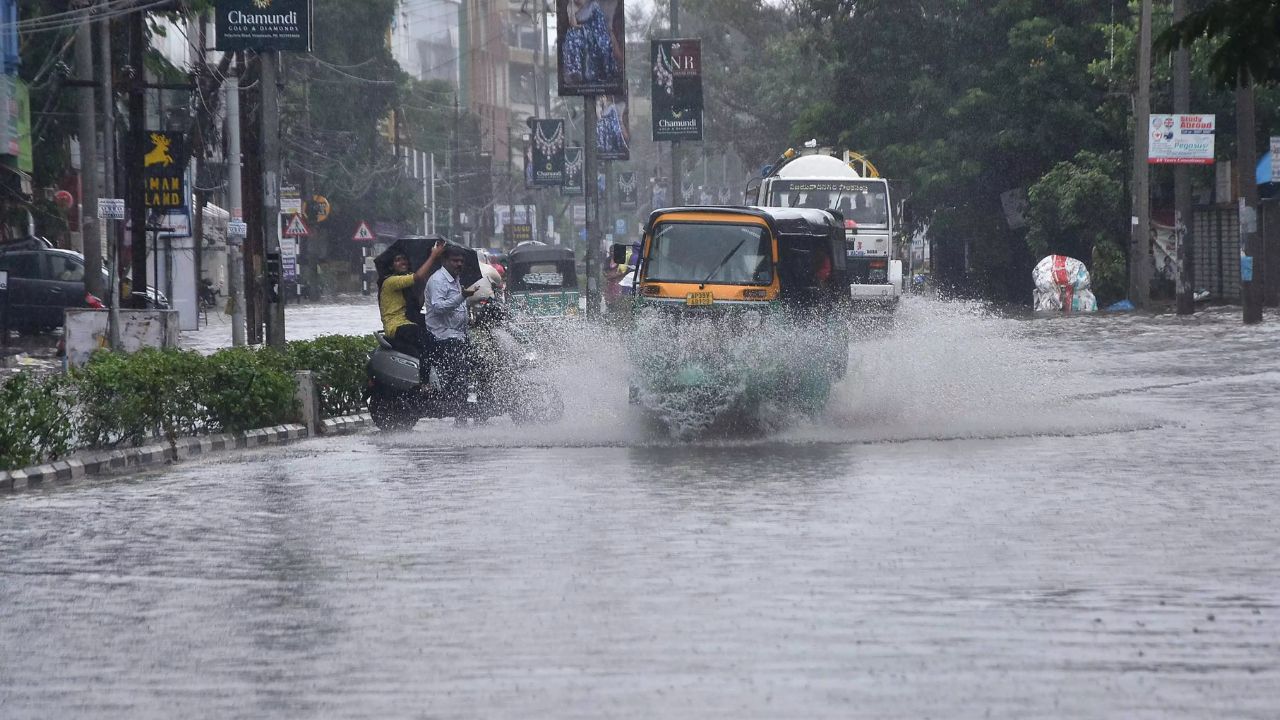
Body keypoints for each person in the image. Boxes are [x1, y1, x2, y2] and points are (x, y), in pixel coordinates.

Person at [379, 241, 445, 376]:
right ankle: (425, 383)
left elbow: (417, 305)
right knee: (427, 341)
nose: (403, 262)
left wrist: (426, 287)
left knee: (438, 336)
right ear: (391, 266)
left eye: (404, 259)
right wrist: (432, 256)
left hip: (408, 323)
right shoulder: (391, 282)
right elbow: (418, 276)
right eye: (398, 260)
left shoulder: (404, 285)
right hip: (397, 326)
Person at [426, 246, 478, 415]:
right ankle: (458, 411)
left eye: (461, 261)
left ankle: (473, 405)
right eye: (455, 261)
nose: (459, 264)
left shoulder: (455, 279)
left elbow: (458, 305)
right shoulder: (438, 280)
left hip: (458, 334)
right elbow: (438, 307)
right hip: (443, 335)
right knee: (460, 372)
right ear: (445, 261)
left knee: (479, 362)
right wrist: (462, 296)